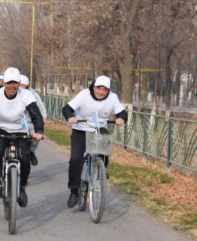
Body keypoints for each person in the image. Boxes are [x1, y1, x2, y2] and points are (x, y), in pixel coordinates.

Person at [0, 67, 44, 208]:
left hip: (20, 130)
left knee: (25, 155)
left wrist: (39, 131)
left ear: (19, 83)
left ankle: (22, 186)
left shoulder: (26, 95)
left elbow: (36, 114)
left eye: (15, 83)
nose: (12, 86)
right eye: (9, 83)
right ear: (4, 83)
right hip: (0, 130)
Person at [61, 75, 127, 208]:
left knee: (105, 153)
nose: (101, 92)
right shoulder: (84, 95)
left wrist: (121, 119)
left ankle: (99, 170)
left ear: (108, 90)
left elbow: (122, 112)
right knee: (75, 159)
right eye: (98, 88)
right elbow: (67, 109)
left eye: (104, 89)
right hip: (81, 129)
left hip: (99, 129)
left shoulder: (112, 98)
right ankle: (74, 191)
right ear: (93, 87)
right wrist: (70, 117)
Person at [20, 75, 47, 166]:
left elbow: (40, 106)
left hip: (29, 121)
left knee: (37, 135)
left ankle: (31, 151)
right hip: (15, 121)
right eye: (20, 85)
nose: (22, 87)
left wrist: (43, 117)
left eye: (24, 85)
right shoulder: (11, 92)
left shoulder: (33, 94)